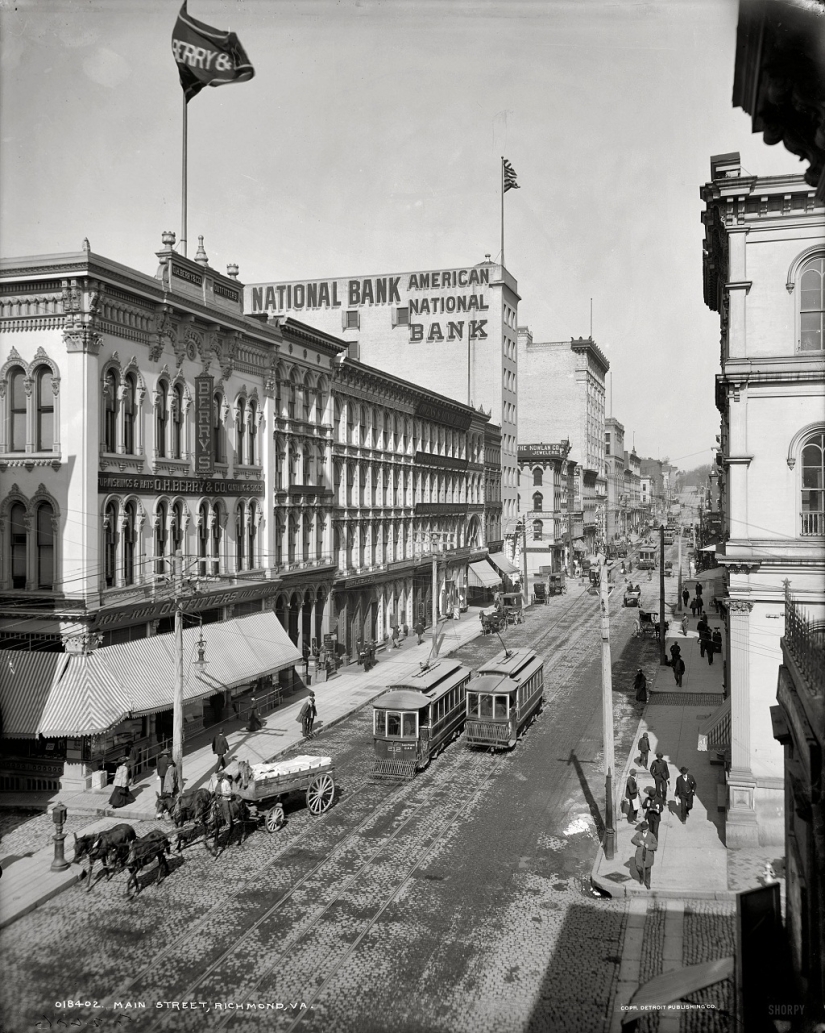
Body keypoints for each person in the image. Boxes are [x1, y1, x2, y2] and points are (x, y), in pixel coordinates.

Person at [631, 821, 658, 889]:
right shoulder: (639, 834)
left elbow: (655, 845)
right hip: (640, 855)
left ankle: (647, 883)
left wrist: (648, 846)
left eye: (645, 829)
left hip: (648, 855)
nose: (644, 830)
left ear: (648, 828)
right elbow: (633, 840)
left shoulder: (651, 835)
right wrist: (639, 842)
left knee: (648, 870)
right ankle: (641, 876)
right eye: (643, 829)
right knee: (638, 867)